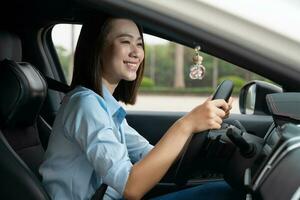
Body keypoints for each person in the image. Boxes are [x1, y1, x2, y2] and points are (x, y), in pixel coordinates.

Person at [39, 17, 241, 200]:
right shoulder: (85, 104)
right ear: (97, 48)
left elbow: (149, 156)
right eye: (125, 42)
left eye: (139, 44)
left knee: (222, 191)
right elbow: (131, 187)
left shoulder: (104, 106)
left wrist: (200, 121)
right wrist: (186, 124)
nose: (136, 52)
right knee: (225, 193)